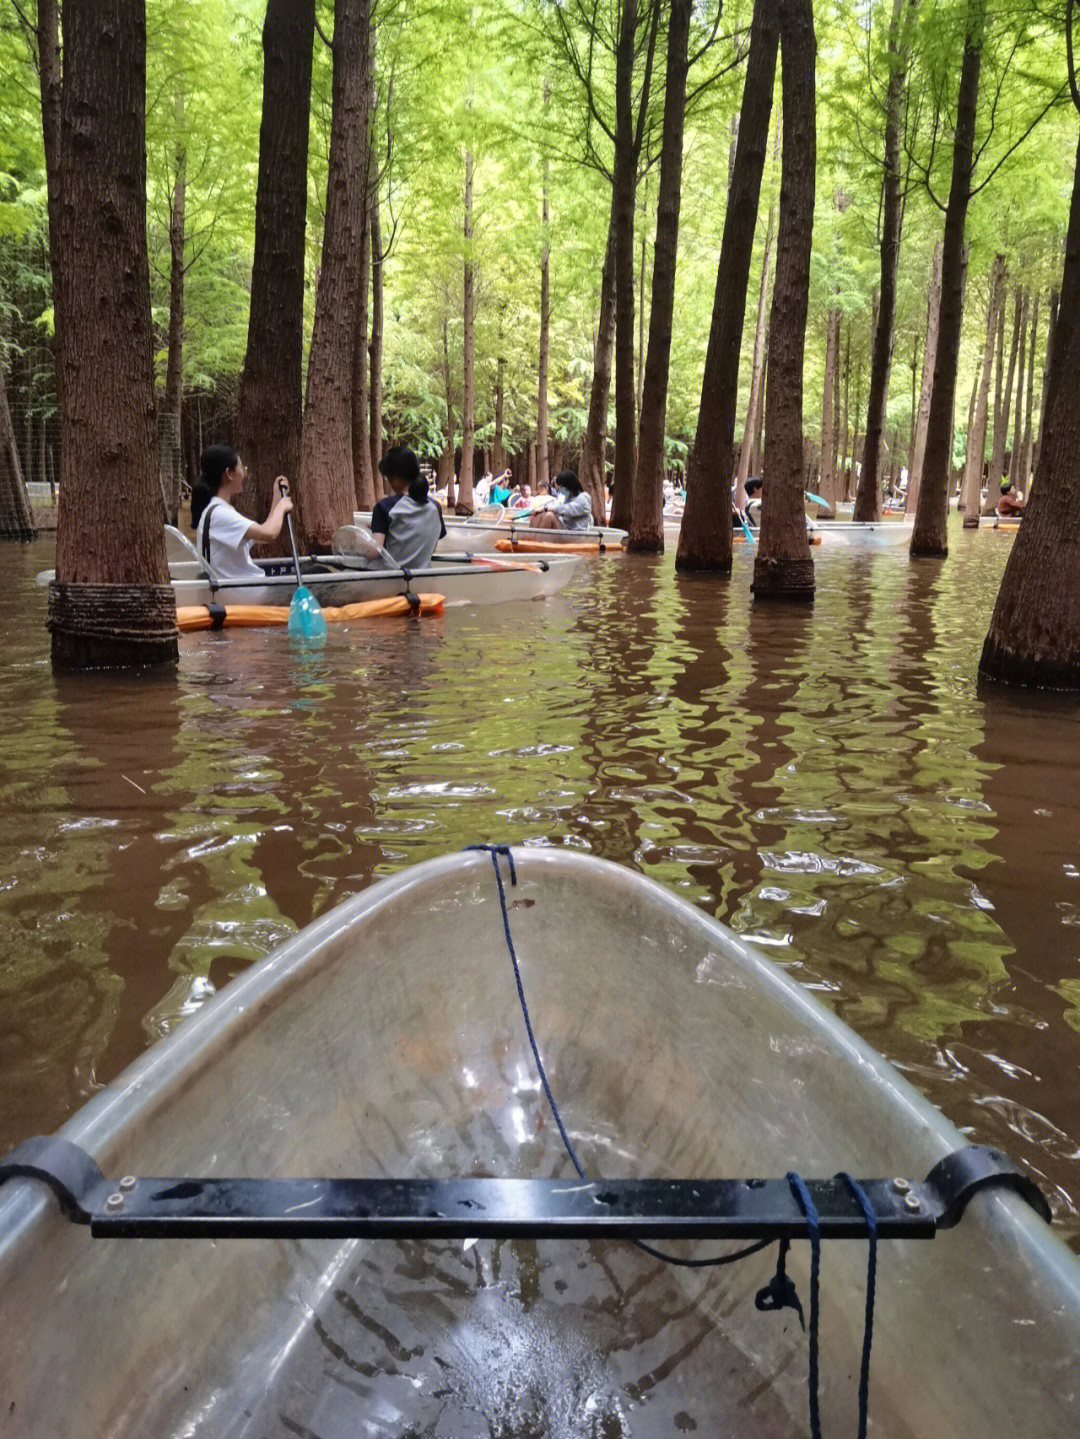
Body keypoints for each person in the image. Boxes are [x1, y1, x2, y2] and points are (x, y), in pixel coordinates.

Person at [191, 444, 293, 580]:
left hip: (243, 589)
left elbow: (261, 536)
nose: (243, 473)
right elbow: (269, 533)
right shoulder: (220, 514)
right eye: (241, 467)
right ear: (229, 474)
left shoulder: (217, 510)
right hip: (246, 592)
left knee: (314, 570)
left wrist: (277, 499)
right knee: (317, 572)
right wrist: (281, 508)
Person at [370, 445, 446, 568]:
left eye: (387, 477)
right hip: (423, 580)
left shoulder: (385, 507)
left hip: (390, 582)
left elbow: (374, 553)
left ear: (395, 476)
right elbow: (432, 549)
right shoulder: (435, 507)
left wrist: (357, 546)